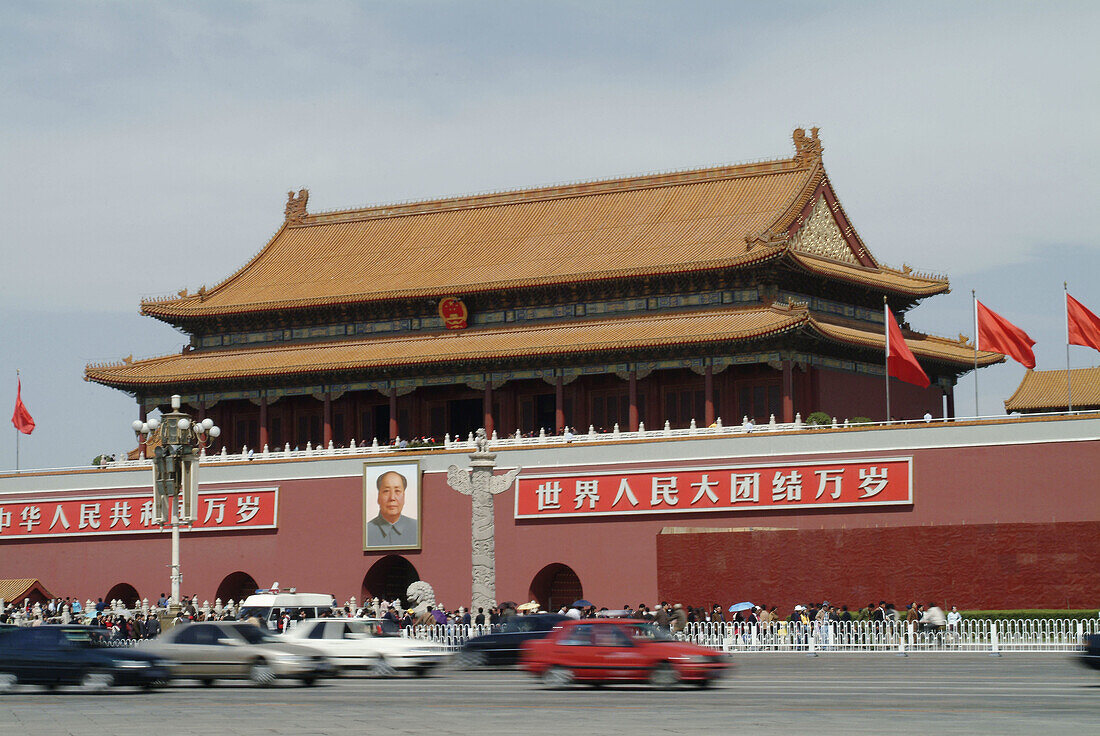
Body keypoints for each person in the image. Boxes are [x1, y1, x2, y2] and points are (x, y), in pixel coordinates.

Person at [365, 470, 419, 547]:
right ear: (378, 497)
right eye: (386, 491)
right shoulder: (366, 532)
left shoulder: (417, 529)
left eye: (397, 491)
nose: (392, 498)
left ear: (404, 496)